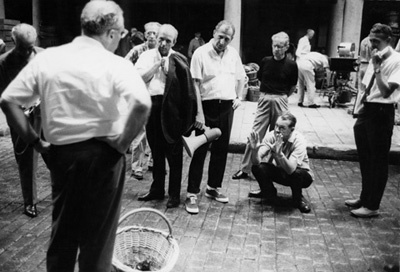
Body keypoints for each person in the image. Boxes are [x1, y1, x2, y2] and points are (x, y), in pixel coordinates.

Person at [0, 1, 151, 271]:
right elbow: (141, 104)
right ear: (112, 33)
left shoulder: (49, 58)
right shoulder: (115, 63)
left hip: (62, 154)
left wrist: (35, 141)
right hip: (105, 157)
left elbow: (8, 100)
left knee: (63, 236)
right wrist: (120, 143)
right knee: (98, 244)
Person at [185, 20, 246, 214]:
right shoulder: (200, 53)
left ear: (231, 39)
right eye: (220, 36)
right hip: (207, 106)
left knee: (221, 149)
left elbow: (242, 77)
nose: (222, 41)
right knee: (200, 149)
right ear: (214, 32)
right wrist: (199, 113)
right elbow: (195, 84)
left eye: (227, 39)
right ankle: (192, 193)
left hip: (226, 107)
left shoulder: (233, 54)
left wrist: (239, 97)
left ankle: (213, 187)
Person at [136, 24, 197, 208]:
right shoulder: (147, 56)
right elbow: (139, 79)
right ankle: (157, 190)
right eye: (161, 38)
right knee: (156, 151)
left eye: (167, 41)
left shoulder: (178, 60)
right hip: (152, 107)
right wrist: (156, 66)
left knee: (174, 154)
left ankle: (174, 195)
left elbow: (187, 90)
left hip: (172, 110)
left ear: (174, 42)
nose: (162, 43)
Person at [347, 23, 400, 218]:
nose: (372, 45)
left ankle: (373, 205)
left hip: (382, 110)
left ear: (389, 40)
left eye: (376, 41)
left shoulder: (396, 60)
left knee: (378, 160)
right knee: (365, 157)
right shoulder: (374, 56)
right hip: (367, 108)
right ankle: (365, 196)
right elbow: (365, 84)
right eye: (371, 41)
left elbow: (386, 91)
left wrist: (377, 69)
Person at [233, 32, 298, 180]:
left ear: (286, 47)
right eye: (274, 46)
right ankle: (245, 168)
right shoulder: (266, 61)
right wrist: (265, 97)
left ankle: (270, 169)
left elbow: (293, 86)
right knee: (255, 133)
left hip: (281, 99)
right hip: (264, 98)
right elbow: (261, 80)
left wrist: (281, 97)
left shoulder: (292, 65)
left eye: (280, 47)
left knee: (278, 135)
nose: (277, 49)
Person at [0, 23, 48, 218]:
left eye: (31, 46)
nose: (28, 51)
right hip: (22, 118)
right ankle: (30, 202)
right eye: (23, 47)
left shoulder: (44, 55)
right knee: (26, 161)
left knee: (57, 156)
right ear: (14, 42)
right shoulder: (4, 63)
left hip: (46, 115)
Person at [248, 112, 313, 213]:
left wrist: (280, 154)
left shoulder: (299, 141)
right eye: (276, 126)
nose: (277, 130)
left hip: (301, 176)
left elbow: (291, 170)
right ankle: (268, 193)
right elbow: (256, 161)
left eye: (282, 128)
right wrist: (255, 150)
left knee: (297, 174)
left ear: (292, 130)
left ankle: (298, 199)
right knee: (257, 167)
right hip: (281, 171)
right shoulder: (272, 135)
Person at [125, 22, 161, 180]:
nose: (152, 36)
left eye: (155, 33)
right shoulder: (137, 50)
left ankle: (154, 162)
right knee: (140, 132)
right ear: (145, 35)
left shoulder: (162, 51)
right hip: (141, 95)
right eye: (149, 33)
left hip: (158, 96)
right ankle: (137, 166)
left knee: (157, 130)